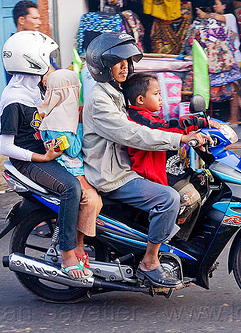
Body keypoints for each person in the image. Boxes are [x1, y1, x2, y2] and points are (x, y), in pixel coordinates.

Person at [82, 32, 211, 287]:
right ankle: (150, 262)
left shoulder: (114, 92)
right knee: (168, 198)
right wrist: (180, 140)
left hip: (122, 166)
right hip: (112, 175)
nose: (125, 67)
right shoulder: (99, 100)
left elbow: (152, 123)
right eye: (118, 62)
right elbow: (134, 134)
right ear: (103, 66)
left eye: (127, 62)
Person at [0, 31, 92, 280]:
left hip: (48, 151)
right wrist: (43, 158)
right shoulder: (13, 101)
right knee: (71, 188)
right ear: (32, 62)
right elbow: (6, 147)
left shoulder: (38, 90)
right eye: (46, 60)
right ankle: (68, 252)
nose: (50, 66)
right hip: (30, 160)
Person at [122, 72, 219, 239]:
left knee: (204, 181)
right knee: (191, 199)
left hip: (168, 169)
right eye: (156, 94)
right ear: (140, 100)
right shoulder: (139, 118)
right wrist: (198, 122)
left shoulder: (148, 115)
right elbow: (166, 127)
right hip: (155, 175)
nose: (160, 98)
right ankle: (173, 240)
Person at [38, 69, 102, 267]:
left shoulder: (54, 112)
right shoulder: (61, 119)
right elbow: (73, 149)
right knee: (92, 201)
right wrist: (83, 124)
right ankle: (78, 244)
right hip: (69, 170)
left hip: (73, 167)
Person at [196, 0, 241, 125]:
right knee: (230, 87)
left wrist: (204, 14)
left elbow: (216, 17)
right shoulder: (222, 20)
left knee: (231, 88)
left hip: (233, 60)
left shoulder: (230, 17)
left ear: (224, 5)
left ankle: (238, 116)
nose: (214, 6)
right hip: (228, 60)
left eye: (217, 4)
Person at [5, 1, 56, 85]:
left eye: (39, 19)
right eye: (35, 18)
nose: (39, 23)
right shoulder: (16, 45)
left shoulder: (37, 43)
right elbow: (50, 74)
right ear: (21, 20)